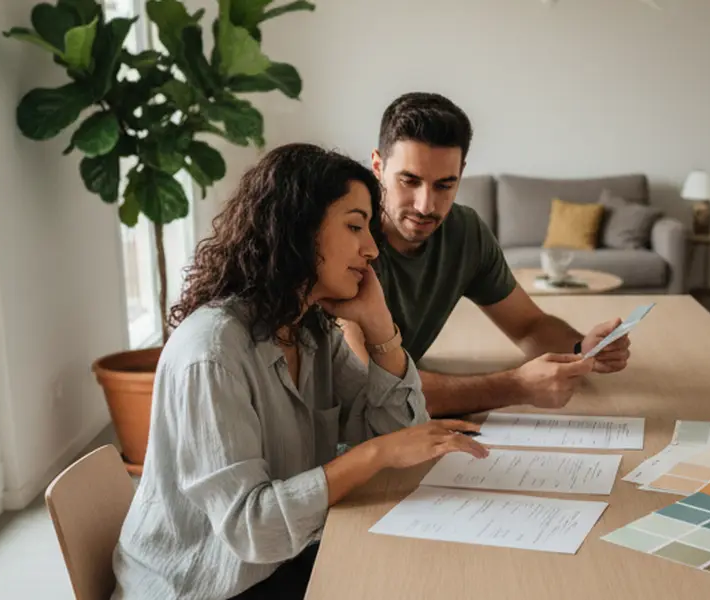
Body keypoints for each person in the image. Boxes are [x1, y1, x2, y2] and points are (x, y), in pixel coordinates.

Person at [111, 143, 489, 600]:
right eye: (354, 226)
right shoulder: (211, 353)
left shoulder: (308, 329)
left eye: (369, 228)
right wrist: (376, 454)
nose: (372, 249)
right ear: (297, 231)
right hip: (205, 585)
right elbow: (252, 530)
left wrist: (380, 327)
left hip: (275, 561)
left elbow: (398, 430)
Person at [340, 92, 633, 417]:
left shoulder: (464, 232)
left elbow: (529, 325)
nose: (426, 206)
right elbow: (369, 391)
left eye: (444, 185)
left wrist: (582, 348)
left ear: (461, 173)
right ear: (378, 166)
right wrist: (516, 386)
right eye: (409, 181)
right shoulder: (345, 241)